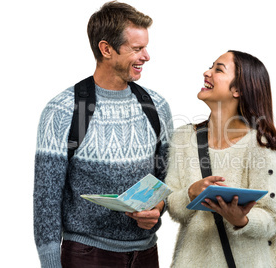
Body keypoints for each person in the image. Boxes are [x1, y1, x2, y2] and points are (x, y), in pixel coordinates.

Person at [33, 1, 173, 267]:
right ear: (106, 49)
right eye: (137, 48)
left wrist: (158, 209)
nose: (147, 56)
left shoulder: (156, 106)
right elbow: (46, 201)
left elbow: (167, 178)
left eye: (145, 47)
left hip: (146, 254)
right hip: (86, 256)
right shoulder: (62, 109)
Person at [166, 50, 276, 267]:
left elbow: (271, 218)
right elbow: (171, 203)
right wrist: (191, 192)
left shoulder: (259, 143)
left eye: (218, 69)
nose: (206, 73)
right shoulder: (183, 137)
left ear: (238, 89)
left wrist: (241, 220)